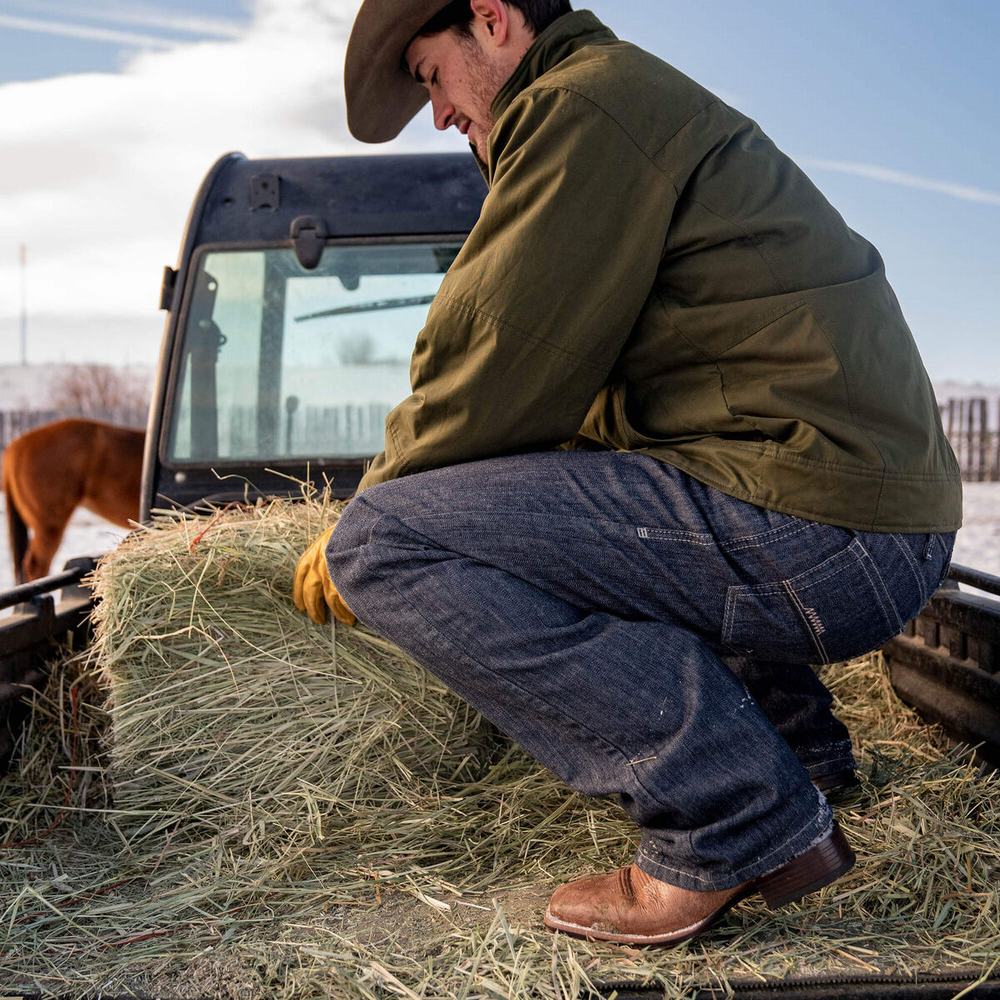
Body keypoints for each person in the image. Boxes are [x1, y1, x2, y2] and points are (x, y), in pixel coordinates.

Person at [293, 0, 962, 946]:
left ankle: (730, 815)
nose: (437, 113)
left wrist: (369, 510)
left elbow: (491, 356)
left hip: (822, 527)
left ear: (490, 19)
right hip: (856, 516)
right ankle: (799, 759)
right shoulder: (617, 101)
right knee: (592, 495)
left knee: (386, 545)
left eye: (429, 73)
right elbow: (575, 414)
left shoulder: (581, 108)